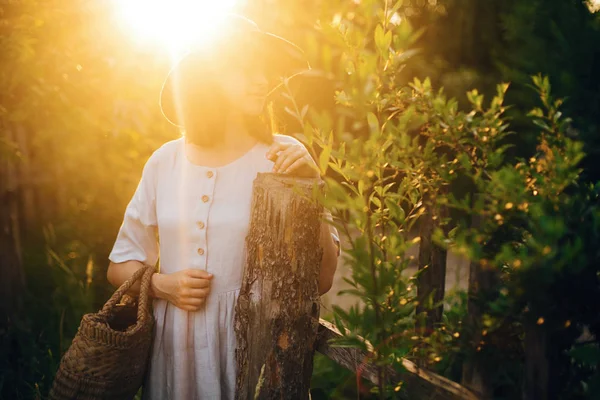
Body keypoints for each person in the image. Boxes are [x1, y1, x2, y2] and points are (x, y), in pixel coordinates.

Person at [106, 15, 340, 400]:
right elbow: (120, 266)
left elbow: (322, 279)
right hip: (173, 355)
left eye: (264, 70)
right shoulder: (165, 162)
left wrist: (312, 187)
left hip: (254, 350)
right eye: (246, 70)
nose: (262, 80)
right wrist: (164, 285)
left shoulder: (282, 157)